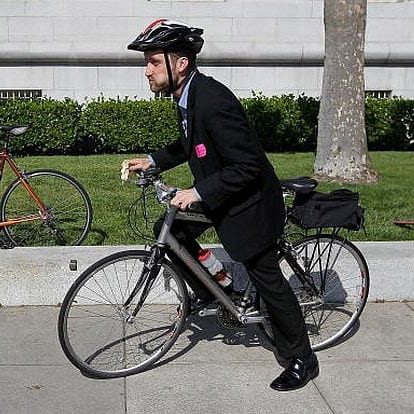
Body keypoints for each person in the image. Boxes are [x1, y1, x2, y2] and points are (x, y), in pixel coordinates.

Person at [126, 18, 319, 391]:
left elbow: (247, 165)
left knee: (269, 281)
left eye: (152, 62)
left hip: (250, 203)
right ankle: (220, 290)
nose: (146, 71)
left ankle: (302, 359)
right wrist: (152, 161)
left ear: (179, 62)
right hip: (221, 193)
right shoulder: (188, 96)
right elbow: (190, 143)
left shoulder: (213, 100)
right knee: (173, 231)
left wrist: (196, 193)